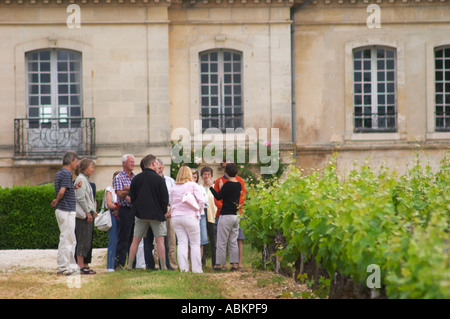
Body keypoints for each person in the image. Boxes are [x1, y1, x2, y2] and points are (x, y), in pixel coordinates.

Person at [127, 154, 169, 270]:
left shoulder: (136, 179)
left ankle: (129, 265)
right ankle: (163, 267)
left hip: (140, 215)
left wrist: (136, 209)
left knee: (135, 240)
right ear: (153, 164)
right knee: (160, 241)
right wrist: (162, 211)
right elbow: (164, 199)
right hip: (157, 215)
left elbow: (132, 198)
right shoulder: (159, 180)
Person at [169, 166, 205, 273]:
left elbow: (171, 203)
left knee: (181, 243)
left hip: (176, 217)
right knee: (194, 243)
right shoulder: (192, 185)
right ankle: (197, 269)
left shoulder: (173, 187)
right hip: (190, 216)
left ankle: (184, 269)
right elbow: (202, 201)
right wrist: (198, 211)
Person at [51, 150, 81, 276]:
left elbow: (66, 189)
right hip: (66, 210)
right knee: (67, 240)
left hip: (65, 210)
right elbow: (62, 191)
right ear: (70, 161)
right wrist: (57, 200)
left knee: (70, 239)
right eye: (76, 161)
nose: (77, 164)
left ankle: (68, 265)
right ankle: (63, 267)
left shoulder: (61, 174)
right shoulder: (67, 174)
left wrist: (74, 187)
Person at [213, 159, 247, 268]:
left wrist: (211, 187)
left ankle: (219, 264)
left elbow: (219, 196)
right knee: (233, 241)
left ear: (226, 172)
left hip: (226, 215)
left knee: (222, 242)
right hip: (236, 215)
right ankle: (234, 264)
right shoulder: (238, 184)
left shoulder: (226, 184)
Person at [74, 158, 97, 275]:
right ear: (85, 168)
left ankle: (84, 265)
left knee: (87, 239)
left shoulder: (84, 179)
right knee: (83, 239)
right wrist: (88, 212)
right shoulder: (81, 179)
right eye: (91, 167)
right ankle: (80, 265)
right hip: (83, 215)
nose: (93, 169)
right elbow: (80, 197)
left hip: (87, 213)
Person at [113, 154, 136, 270]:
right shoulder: (118, 177)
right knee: (124, 238)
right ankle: (120, 264)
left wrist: (127, 188)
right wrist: (131, 190)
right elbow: (120, 194)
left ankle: (132, 264)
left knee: (134, 238)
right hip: (125, 210)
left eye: (133, 161)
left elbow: (138, 192)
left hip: (134, 210)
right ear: (124, 163)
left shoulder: (135, 177)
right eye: (130, 161)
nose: (133, 163)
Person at [156, 158, 177, 270]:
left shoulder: (170, 181)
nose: (158, 170)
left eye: (160, 167)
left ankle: (172, 264)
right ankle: (157, 264)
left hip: (169, 208)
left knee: (171, 238)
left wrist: (171, 210)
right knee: (158, 239)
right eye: (156, 168)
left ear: (163, 167)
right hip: (157, 209)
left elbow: (175, 197)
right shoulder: (153, 180)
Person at [200, 166, 217, 267]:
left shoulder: (215, 188)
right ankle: (202, 263)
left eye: (208, 174)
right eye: (204, 174)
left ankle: (215, 264)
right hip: (202, 215)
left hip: (212, 215)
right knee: (203, 240)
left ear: (211, 176)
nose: (206, 176)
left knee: (213, 241)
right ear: (202, 176)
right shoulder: (198, 187)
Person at [105, 171, 120, 272]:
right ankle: (110, 266)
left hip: (121, 215)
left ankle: (120, 264)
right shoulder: (109, 189)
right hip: (113, 216)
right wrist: (119, 207)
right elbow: (109, 204)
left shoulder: (124, 189)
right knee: (113, 241)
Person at [195, 168, 209, 266]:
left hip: (201, 215)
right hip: (190, 216)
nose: (193, 178)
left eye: (195, 177)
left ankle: (199, 264)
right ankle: (192, 263)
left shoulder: (200, 188)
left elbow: (205, 203)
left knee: (202, 241)